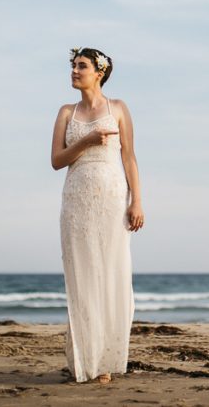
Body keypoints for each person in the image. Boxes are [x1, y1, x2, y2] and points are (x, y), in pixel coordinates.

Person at [51, 47, 145, 383]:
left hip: (112, 198)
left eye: (82, 66)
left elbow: (130, 158)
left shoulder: (118, 108)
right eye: (73, 66)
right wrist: (88, 140)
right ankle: (83, 361)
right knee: (82, 278)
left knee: (111, 274)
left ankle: (105, 362)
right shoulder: (66, 112)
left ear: (99, 72)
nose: (75, 71)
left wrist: (137, 201)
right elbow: (57, 160)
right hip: (76, 199)